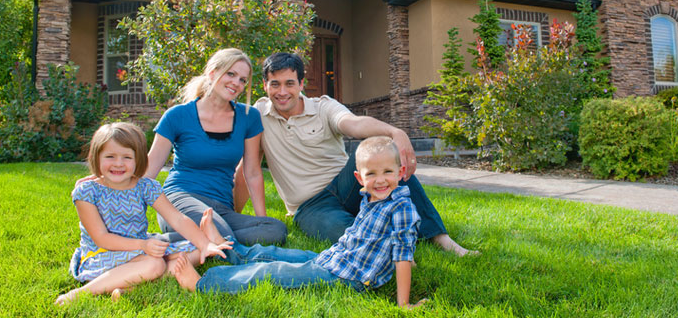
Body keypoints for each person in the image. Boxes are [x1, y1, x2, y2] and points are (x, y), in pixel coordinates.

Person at [236, 52, 475, 256]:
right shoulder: (258, 115)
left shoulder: (323, 106)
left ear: (301, 84)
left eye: (289, 83)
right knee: (344, 234)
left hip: (348, 184)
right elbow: (249, 170)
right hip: (310, 207)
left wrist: (394, 132)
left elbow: (355, 124)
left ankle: (440, 238)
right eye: (274, 84)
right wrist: (253, 220)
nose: (282, 91)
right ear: (265, 86)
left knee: (387, 155)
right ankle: (387, 240)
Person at [172, 137, 426, 308]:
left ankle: (204, 284)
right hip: (337, 258)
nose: (380, 180)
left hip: (349, 277)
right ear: (359, 178)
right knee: (275, 254)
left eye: (388, 172)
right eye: (372, 174)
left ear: (401, 173)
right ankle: (230, 249)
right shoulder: (371, 196)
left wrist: (403, 305)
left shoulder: (401, 209)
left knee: (275, 272)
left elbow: (402, 257)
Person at [56, 122, 232, 305]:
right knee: (156, 264)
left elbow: (177, 219)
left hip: (141, 250)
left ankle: (128, 288)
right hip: (103, 254)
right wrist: (143, 245)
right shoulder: (87, 192)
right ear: (96, 157)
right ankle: (82, 292)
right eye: (110, 156)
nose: (118, 163)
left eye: (127, 157)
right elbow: (101, 238)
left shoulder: (145, 187)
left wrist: (204, 245)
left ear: (138, 159)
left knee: (195, 251)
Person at [146, 48, 287, 246]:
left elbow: (253, 172)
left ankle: (172, 242)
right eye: (231, 74)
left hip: (222, 207)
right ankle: (208, 239)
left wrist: (261, 219)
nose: (236, 83)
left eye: (242, 80)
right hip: (180, 199)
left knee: (275, 230)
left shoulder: (249, 117)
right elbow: (149, 171)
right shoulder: (177, 115)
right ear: (212, 73)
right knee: (218, 230)